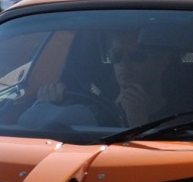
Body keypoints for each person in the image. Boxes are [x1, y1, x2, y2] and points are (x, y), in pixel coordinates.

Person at [20, 30, 174, 128]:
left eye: (136, 56)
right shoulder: (93, 111)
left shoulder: (179, 120)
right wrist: (50, 104)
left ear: (161, 62)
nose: (124, 64)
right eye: (116, 56)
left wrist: (139, 123)